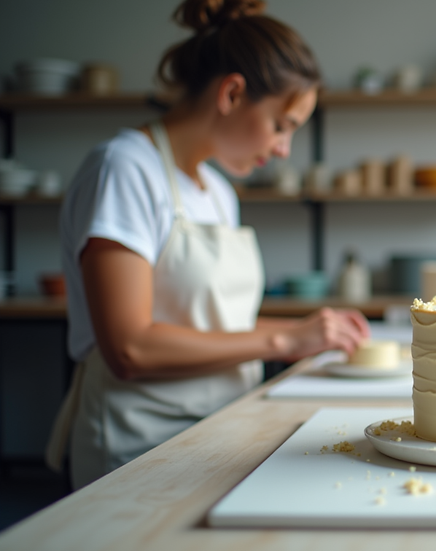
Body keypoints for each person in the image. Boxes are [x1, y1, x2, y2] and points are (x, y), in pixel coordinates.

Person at [46, 0, 370, 489]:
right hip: (140, 449)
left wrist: (310, 332)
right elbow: (129, 347)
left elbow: (216, 328)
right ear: (232, 93)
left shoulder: (217, 192)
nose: (283, 149)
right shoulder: (125, 169)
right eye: (281, 125)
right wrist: (285, 340)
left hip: (223, 430)